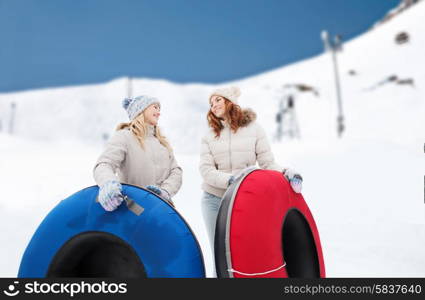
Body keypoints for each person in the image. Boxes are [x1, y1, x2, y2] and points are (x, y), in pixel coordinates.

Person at [199, 86, 303, 259]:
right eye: (211, 103)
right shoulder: (209, 135)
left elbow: (267, 163)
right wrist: (231, 180)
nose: (213, 105)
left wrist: (286, 172)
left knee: (244, 253)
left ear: (230, 101)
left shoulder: (255, 130)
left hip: (243, 199)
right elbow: (206, 170)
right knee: (220, 255)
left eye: (217, 100)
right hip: (214, 200)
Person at [93, 95, 182, 211]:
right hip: (133, 210)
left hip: (160, 209)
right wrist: (108, 183)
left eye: (159, 109)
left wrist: (165, 191)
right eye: (155, 107)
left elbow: (176, 171)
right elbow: (104, 164)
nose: (159, 112)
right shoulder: (124, 137)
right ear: (141, 110)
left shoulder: (162, 143)